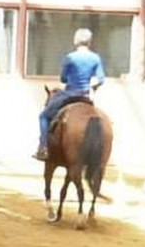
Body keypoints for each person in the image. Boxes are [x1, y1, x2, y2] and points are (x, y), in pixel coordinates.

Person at [35, 27, 105, 161]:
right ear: (90, 42)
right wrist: (92, 86)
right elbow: (100, 79)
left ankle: (43, 147)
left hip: (70, 94)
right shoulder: (95, 58)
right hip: (85, 96)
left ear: (75, 41)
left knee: (43, 116)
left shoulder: (70, 58)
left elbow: (63, 78)